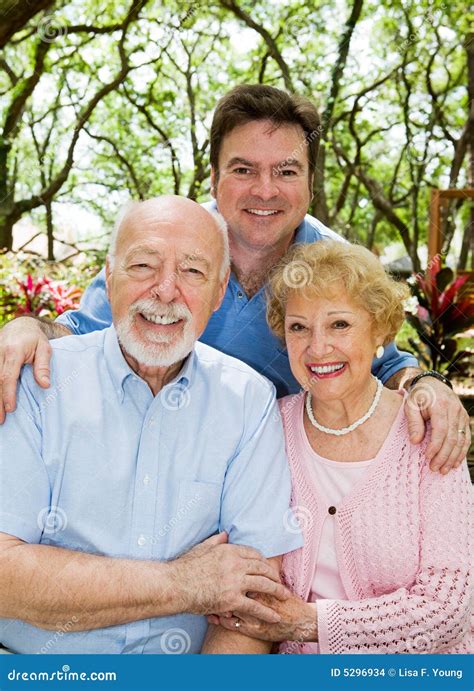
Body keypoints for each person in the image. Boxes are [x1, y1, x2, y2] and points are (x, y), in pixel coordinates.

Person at [0, 85, 469, 471]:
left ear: (310, 184)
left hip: (272, 482)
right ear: (213, 178)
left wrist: (430, 385)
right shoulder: (163, 245)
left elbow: (387, 367)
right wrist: (25, 327)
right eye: (243, 170)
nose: (264, 190)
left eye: (286, 171)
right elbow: (81, 335)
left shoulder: (337, 264)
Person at [0, 196, 304, 655]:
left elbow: (251, 598)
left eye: (193, 272)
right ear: (109, 274)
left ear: (219, 292)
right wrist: (185, 583)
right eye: (143, 265)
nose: (165, 291)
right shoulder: (36, 380)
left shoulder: (248, 400)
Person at [210, 241, 472, 654]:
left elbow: (447, 610)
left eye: (339, 325)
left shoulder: (427, 432)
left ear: (380, 330)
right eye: (299, 327)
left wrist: (310, 623)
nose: (317, 348)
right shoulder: (265, 428)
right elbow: (244, 576)